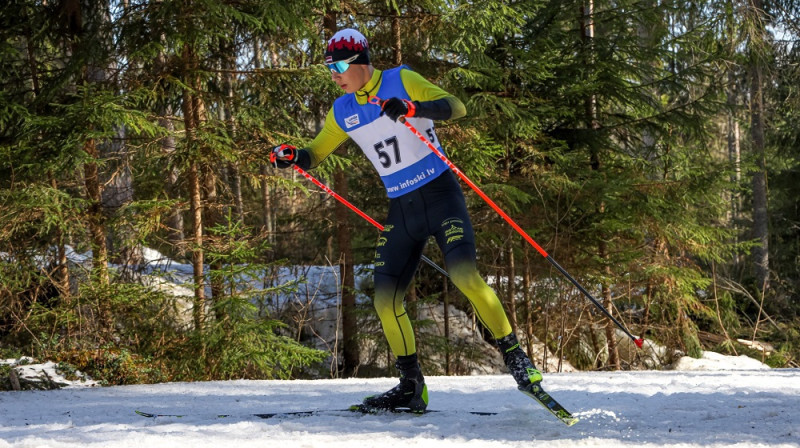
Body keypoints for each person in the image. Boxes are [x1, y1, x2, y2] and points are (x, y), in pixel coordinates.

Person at [271, 28, 542, 412]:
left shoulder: (401, 79)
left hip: (440, 194)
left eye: (342, 65)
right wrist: (292, 156)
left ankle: (516, 357)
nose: (335, 73)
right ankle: (410, 385)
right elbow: (315, 153)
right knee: (385, 300)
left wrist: (413, 108)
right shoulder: (342, 110)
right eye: (330, 67)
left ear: (363, 61)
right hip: (402, 208)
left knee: (465, 276)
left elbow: (456, 107)